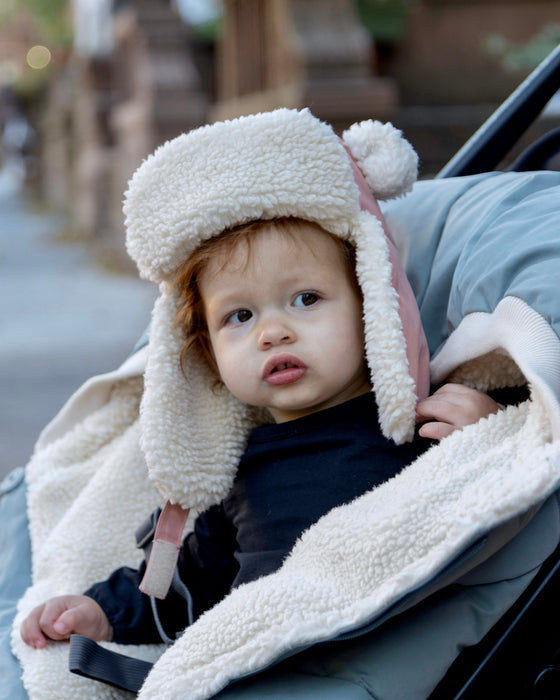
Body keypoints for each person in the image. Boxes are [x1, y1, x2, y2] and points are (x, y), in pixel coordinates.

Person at [20, 109, 499, 653]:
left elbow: (496, 505)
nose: (273, 332)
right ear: (207, 351)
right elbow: (187, 593)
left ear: (373, 308)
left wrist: (485, 438)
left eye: (306, 299)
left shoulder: (420, 429)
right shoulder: (239, 473)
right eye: (239, 317)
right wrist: (101, 611)